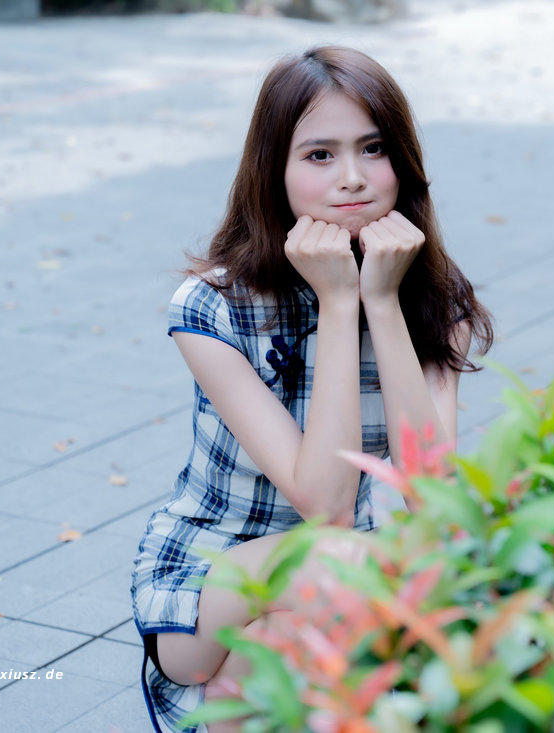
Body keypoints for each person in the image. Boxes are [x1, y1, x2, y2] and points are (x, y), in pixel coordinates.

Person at [130, 45, 493, 733]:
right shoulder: (214, 308)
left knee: (274, 654)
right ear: (276, 170)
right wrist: (338, 301)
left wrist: (381, 301)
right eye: (319, 155)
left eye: (373, 148)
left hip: (344, 577)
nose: (352, 178)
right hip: (214, 581)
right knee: (357, 565)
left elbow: (429, 493)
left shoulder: (434, 303)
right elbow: (326, 507)